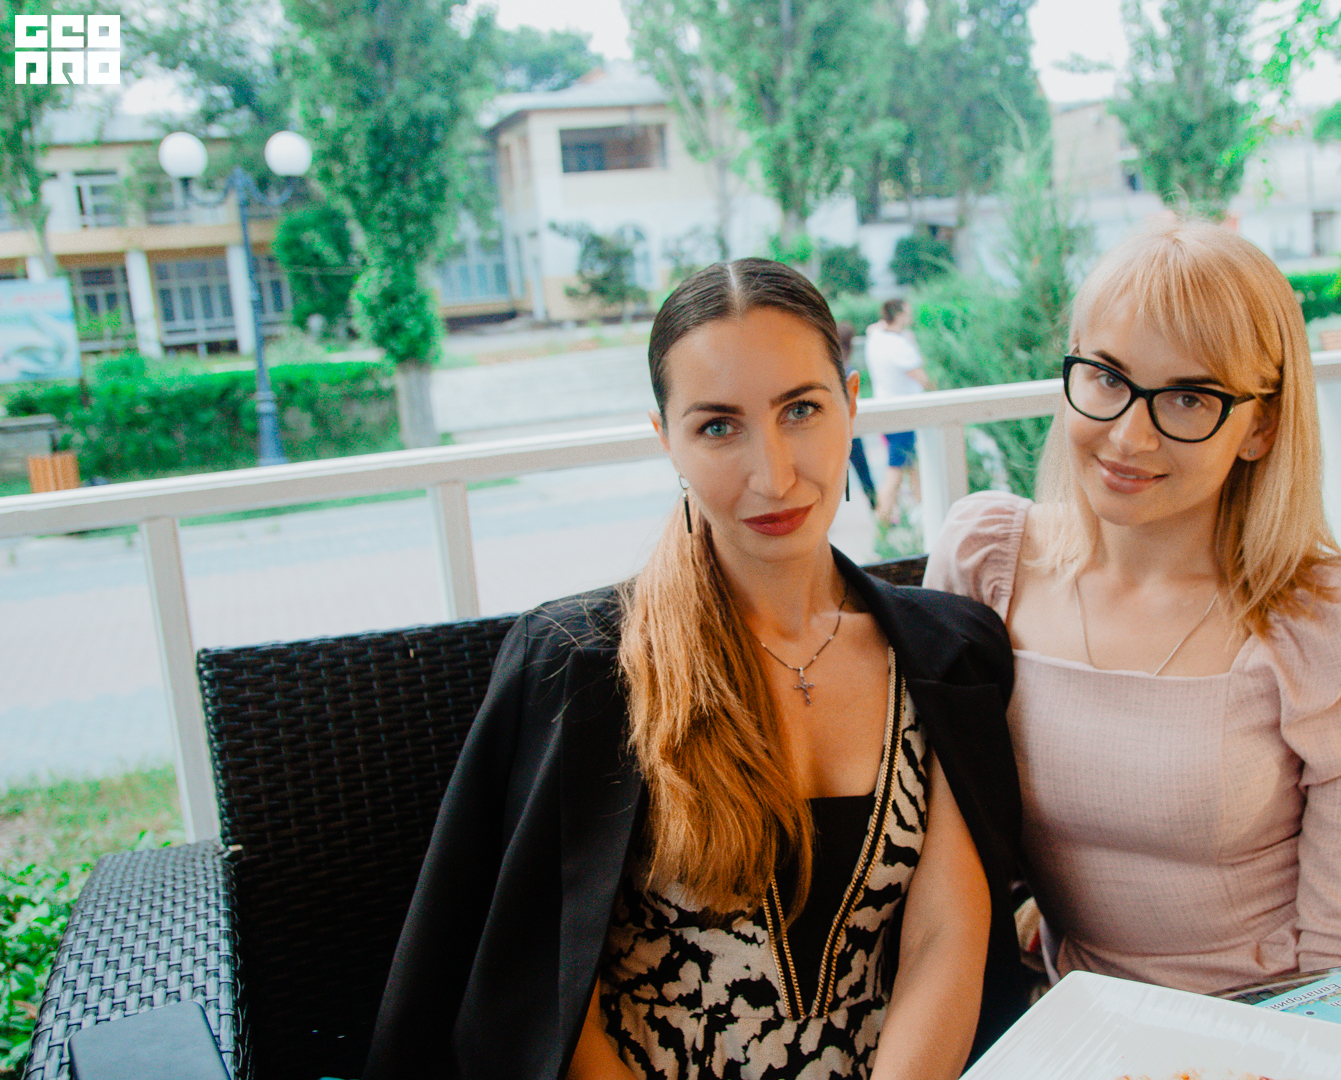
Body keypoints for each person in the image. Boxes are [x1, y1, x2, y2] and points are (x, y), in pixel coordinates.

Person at [364, 259, 1027, 1080]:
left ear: (852, 403)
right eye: (718, 427)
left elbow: (944, 939)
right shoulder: (586, 669)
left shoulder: (949, 657)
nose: (773, 474)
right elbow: (547, 1003)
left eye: (802, 410)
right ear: (665, 438)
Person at [923, 221, 1341, 996]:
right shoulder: (988, 564)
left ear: (1261, 426)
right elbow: (933, 829)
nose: (1129, 435)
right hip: (1091, 1013)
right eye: (1107, 377)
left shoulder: (1330, 617)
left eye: (1189, 397)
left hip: (1311, 1005)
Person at [865, 299, 935, 525]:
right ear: (899, 314)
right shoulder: (898, 345)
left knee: (911, 466)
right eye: (908, 311)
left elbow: (874, 328)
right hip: (904, 413)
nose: (911, 315)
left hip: (887, 410)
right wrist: (936, 390)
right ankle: (882, 520)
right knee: (895, 470)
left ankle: (928, 512)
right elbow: (919, 375)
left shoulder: (876, 338)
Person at [839, 320, 879, 509]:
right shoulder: (848, 368)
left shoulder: (830, 366)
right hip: (851, 432)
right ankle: (877, 510)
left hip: (836, 432)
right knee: (864, 474)